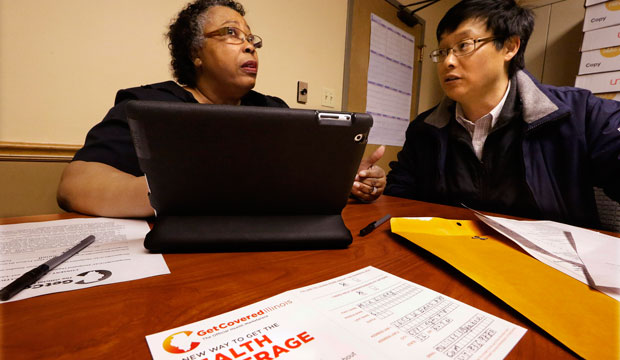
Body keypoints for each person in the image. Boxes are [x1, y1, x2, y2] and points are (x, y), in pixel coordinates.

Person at [57, 0, 386, 218]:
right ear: (195, 52)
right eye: (231, 33)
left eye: (252, 39)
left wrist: (352, 182)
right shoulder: (147, 107)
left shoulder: (275, 111)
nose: (248, 46)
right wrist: (175, 190)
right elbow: (74, 186)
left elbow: (306, 180)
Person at [385, 0, 620, 228]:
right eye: (443, 50)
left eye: (463, 45)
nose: (448, 61)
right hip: (448, 254)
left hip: (546, 261)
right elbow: (399, 195)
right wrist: (372, 187)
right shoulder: (424, 128)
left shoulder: (580, 113)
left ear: (509, 47)